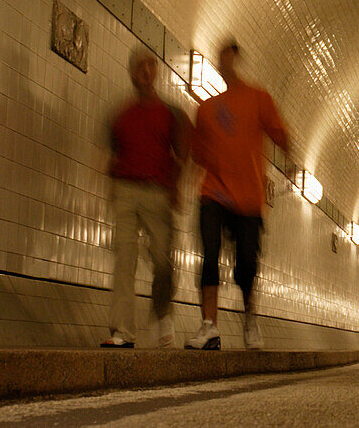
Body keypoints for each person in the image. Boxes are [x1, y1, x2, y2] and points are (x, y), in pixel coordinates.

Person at [186, 40, 292, 350]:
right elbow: (198, 152)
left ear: (236, 58)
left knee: (246, 264)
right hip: (213, 193)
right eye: (219, 56)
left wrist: (289, 161)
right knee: (209, 254)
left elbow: (281, 135)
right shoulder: (205, 108)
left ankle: (249, 318)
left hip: (248, 198)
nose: (223, 60)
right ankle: (209, 325)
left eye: (228, 55)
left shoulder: (258, 98)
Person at [101, 47, 190, 348]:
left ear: (157, 72)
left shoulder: (171, 113)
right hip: (126, 192)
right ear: (132, 73)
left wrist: (176, 188)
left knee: (163, 262)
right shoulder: (120, 114)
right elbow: (111, 155)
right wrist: (109, 186)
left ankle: (163, 312)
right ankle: (122, 331)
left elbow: (182, 155)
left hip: (158, 193)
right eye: (140, 66)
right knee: (124, 260)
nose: (146, 71)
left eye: (151, 66)